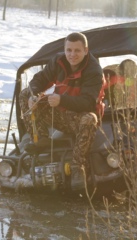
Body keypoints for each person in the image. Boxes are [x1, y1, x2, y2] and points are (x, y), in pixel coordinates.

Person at [19, 32, 105, 177]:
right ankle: (41, 139)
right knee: (24, 94)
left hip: (80, 120)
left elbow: (88, 103)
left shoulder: (94, 71)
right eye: (69, 50)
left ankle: (78, 165)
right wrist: (33, 97)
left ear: (86, 50)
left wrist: (61, 100)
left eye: (77, 50)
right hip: (60, 113)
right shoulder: (58, 61)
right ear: (64, 50)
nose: (72, 54)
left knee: (90, 118)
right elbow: (39, 80)